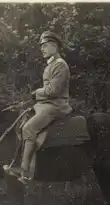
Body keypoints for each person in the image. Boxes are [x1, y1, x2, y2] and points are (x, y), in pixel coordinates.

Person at [5, 31, 73, 184]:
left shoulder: (60, 65)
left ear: (54, 47)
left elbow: (53, 91)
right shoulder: (51, 65)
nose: (42, 49)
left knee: (29, 128)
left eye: (45, 46)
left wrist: (36, 93)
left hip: (57, 106)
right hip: (47, 104)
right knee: (22, 120)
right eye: (41, 46)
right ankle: (19, 163)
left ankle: (25, 171)